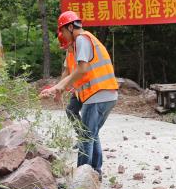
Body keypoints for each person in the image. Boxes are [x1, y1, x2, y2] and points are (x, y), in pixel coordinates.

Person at [40, 11, 119, 175]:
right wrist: (59, 88)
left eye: (63, 31)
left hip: (97, 95)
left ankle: (81, 180)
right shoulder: (85, 39)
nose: (62, 35)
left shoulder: (82, 39)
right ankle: (95, 172)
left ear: (70, 27)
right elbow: (73, 73)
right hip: (105, 94)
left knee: (85, 137)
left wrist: (58, 87)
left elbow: (82, 70)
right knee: (91, 134)